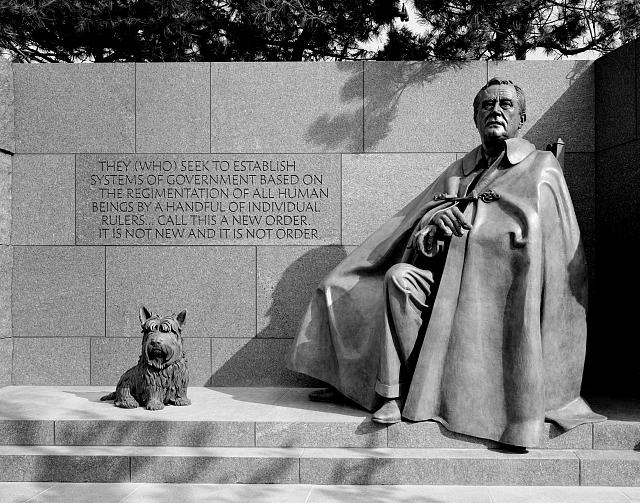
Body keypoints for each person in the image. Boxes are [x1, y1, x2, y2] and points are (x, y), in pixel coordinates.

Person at [288, 78, 604, 448]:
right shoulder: (459, 171)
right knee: (396, 278)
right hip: (443, 286)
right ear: (475, 117)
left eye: (505, 104)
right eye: (486, 105)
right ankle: (387, 392)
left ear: (521, 117)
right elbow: (419, 232)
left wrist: (475, 232)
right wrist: (434, 226)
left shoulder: (540, 166)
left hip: (500, 295)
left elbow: (552, 246)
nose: (495, 111)